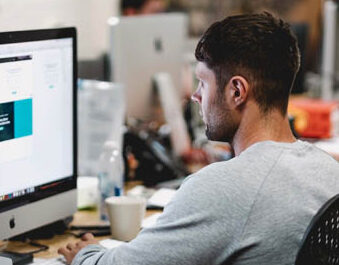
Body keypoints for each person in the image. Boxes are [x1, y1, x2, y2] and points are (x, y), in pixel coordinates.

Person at [59, 12, 339, 265]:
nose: (196, 96)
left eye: (203, 82)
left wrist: (85, 254)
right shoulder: (327, 170)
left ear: (237, 92)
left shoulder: (223, 188)